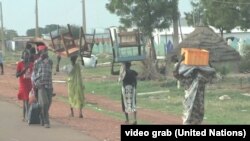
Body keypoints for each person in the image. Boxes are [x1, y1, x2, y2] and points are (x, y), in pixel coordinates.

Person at [172, 53, 216, 125]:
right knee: (190, 121)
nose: (196, 72)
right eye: (195, 71)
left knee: (193, 121)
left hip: (195, 106)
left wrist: (208, 62)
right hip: (194, 106)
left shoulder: (194, 80)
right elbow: (212, 74)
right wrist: (180, 61)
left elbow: (175, 74)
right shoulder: (198, 80)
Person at [33, 45, 53, 128]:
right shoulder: (37, 62)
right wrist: (36, 84)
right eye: (44, 51)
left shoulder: (50, 61)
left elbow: (50, 73)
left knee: (49, 103)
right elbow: (34, 74)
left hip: (49, 85)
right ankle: (46, 121)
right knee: (45, 103)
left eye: (46, 51)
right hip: (41, 85)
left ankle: (42, 114)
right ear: (40, 52)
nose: (45, 52)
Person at [16, 48, 34, 121]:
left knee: (26, 101)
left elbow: (34, 74)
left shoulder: (32, 64)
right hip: (23, 84)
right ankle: (28, 116)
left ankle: (24, 116)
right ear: (23, 56)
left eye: (28, 55)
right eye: (25, 55)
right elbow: (17, 75)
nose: (26, 56)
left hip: (30, 84)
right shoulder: (20, 64)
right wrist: (23, 70)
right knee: (26, 99)